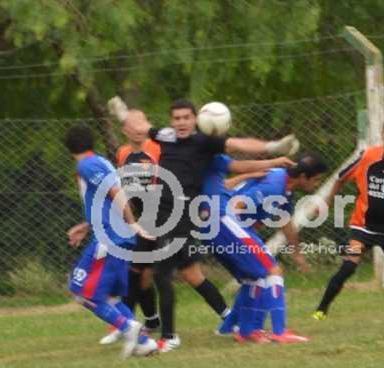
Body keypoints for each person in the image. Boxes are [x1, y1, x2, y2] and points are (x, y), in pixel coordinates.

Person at [116, 98, 299, 352]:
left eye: (186, 117)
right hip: (162, 215)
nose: (181, 122)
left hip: (182, 216)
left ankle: (167, 336)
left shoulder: (204, 143)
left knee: (160, 274)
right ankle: (226, 318)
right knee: (186, 274)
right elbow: (140, 127)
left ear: (196, 120)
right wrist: (122, 113)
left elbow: (238, 147)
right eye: (177, 118)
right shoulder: (166, 136)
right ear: (172, 121)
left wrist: (272, 148)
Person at [313, 118, 384, 320]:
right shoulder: (368, 156)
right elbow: (341, 178)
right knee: (349, 264)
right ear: (382, 134)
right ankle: (321, 310)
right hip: (363, 225)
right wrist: (326, 203)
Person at [63, 124, 158, 358]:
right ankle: (144, 343)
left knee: (81, 291)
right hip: (117, 237)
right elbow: (106, 200)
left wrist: (132, 222)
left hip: (109, 238)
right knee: (111, 297)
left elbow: (116, 193)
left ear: (69, 147)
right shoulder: (101, 161)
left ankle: (127, 327)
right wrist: (87, 225)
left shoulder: (86, 165)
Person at [213, 153, 329, 343]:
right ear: (303, 177)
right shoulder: (274, 186)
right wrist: (241, 232)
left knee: (253, 277)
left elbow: (285, 221)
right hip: (224, 227)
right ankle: (278, 332)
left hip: (222, 228)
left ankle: (230, 329)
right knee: (271, 270)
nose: (317, 184)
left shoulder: (285, 187)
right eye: (316, 179)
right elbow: (236, 206)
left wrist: (297, 254)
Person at [97, 125, 162, 345]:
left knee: (137, 273)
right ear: (124, 130)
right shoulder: (123, 153)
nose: (137, 129)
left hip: (158, 217)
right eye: (131, 126)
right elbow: (124, 188)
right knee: (140, 275)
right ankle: (149, 321)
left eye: (140, 124)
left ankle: (125, 325)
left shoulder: (158, 148)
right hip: (138, 220)